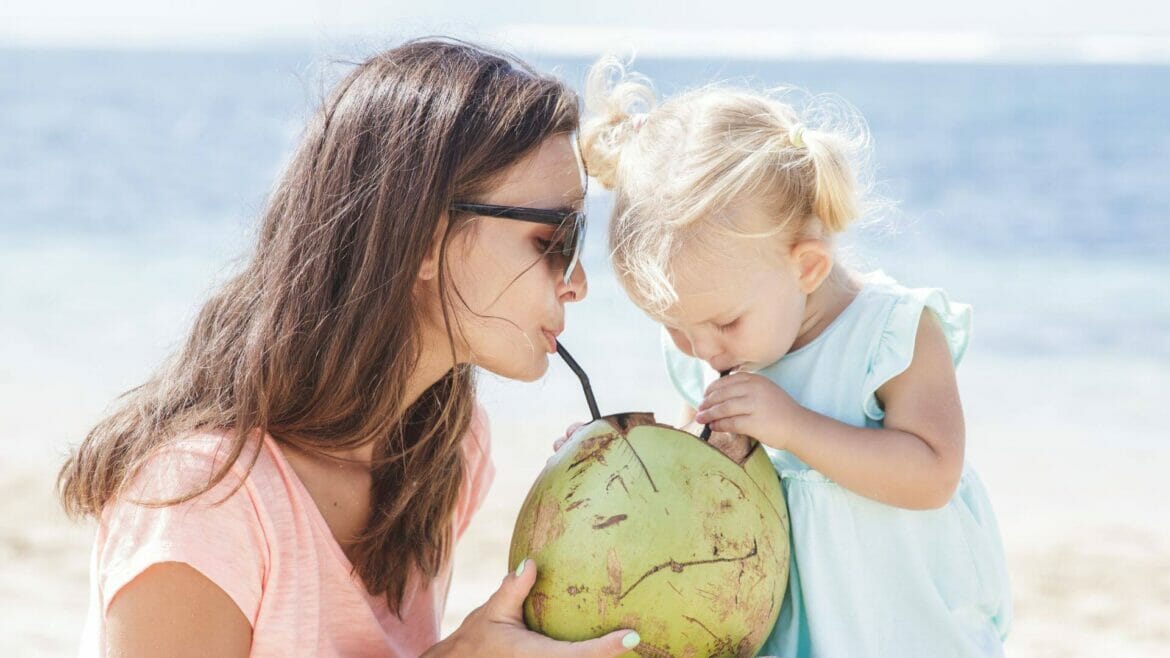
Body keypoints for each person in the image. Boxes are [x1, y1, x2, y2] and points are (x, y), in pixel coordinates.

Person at [58, 38, 641, 657]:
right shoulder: (202, 497)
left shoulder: (448, 449)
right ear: (422, 238)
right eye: (553, 239)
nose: (576, 282)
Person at [575, 58, 1012, 657]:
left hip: (908, 635)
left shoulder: (891, 335)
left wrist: (793, 428)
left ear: (806, 267)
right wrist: (610, 465)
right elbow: (689, 488)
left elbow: (934, 474)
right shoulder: (713, 350)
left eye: (724, 322)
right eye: (672, 325)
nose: (702, 349)